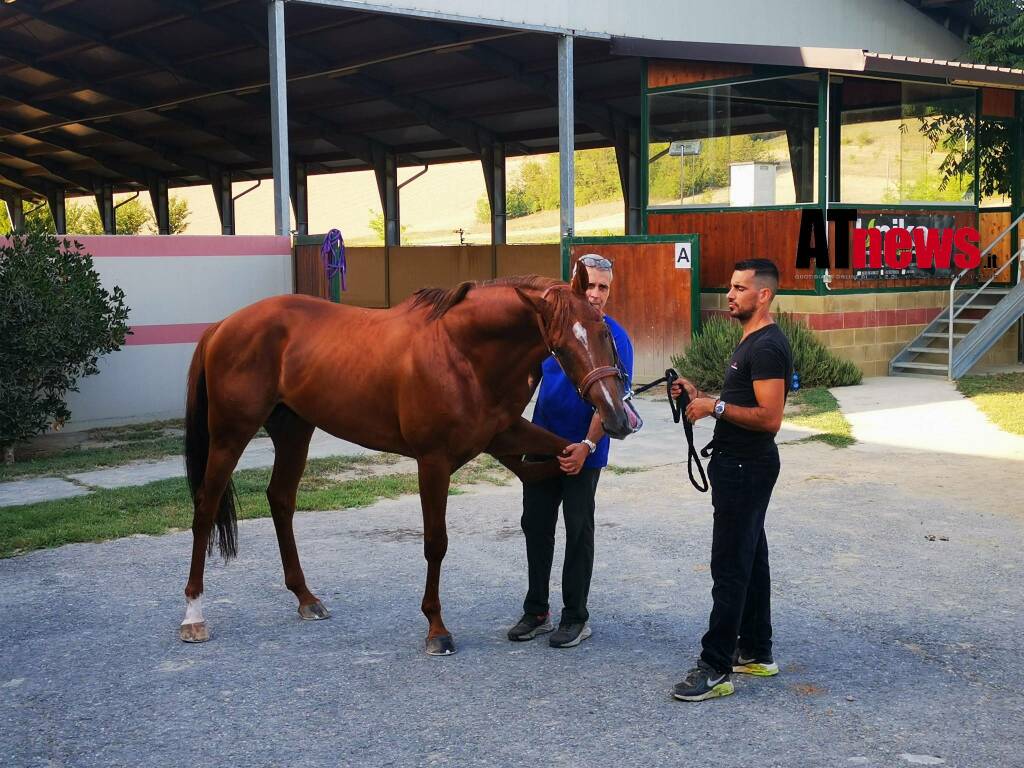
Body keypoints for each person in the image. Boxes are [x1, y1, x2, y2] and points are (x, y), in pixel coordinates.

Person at [670, 258, 793, 701]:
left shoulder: (766, 347)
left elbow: (770, 418)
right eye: (731, 286)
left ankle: (715, 667)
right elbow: (741, 403)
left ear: (764, 295)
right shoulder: (750, 342)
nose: (730, 294)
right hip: (736, 466)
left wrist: (714, 408)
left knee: (730, 567)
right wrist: (697, 396)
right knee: (751, 559)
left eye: (740, 288)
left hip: (747, 468)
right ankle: (756, 652)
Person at [507, 254, 634, 649]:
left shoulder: (615, 337)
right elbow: (526, 380)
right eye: (590, 285)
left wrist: (587, 445)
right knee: (536, 526)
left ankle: (576, 616)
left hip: (585, 451)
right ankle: (536, 611)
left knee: (578, 530)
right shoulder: (551, 334)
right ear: (575, 284)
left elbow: (612, 402)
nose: (595, 295)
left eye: (603, 288)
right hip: (543, 445)